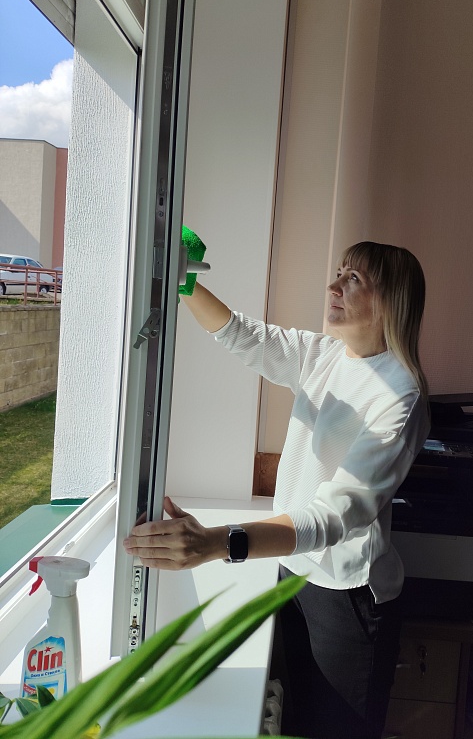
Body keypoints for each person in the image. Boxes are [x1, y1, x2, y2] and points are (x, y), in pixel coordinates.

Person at [124, 240, 430, 739]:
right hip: (292, 573)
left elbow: (334, 516)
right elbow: (244, 336)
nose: (333, 286)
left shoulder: (401, 395)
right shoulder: (325, 355)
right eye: (339, 273)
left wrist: (216, 543)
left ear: (391, 302)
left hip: (346, 597)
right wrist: (183, 281)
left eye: (353, 279)